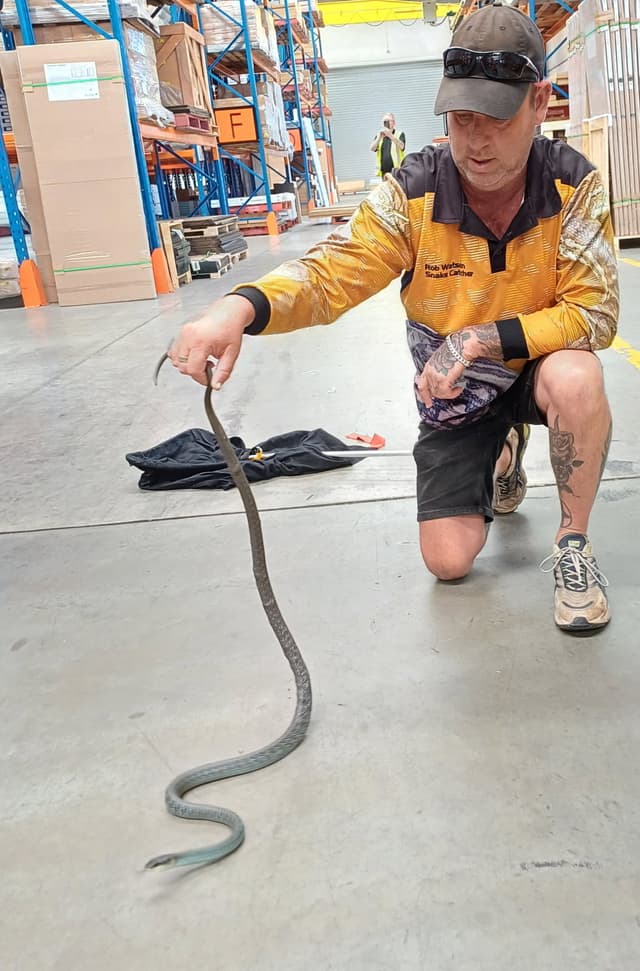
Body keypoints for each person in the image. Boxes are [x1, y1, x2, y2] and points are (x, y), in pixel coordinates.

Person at [167, 1, 619, 635]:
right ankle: (501, 455)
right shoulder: (414, 193)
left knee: (578, 375)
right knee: (448, 562)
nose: (475, 139)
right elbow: (332, 273)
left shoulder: (574, 186)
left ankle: (573, 545)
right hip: (458, 394)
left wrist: (483, 338)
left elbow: (594, 313)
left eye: (495, 117)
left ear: (540, 103)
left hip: (534, 364)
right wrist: (239, 307)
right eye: (460, 118)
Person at [370, 112, 406, 177]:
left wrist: (390, 135)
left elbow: (402, 146)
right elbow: (372, 148)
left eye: (389, 121)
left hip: (397, 171)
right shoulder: (380, 135)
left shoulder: (399, 134)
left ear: (394, 123)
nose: (386, 123)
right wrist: (379, 138)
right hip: (384, 173)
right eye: (385, 121)